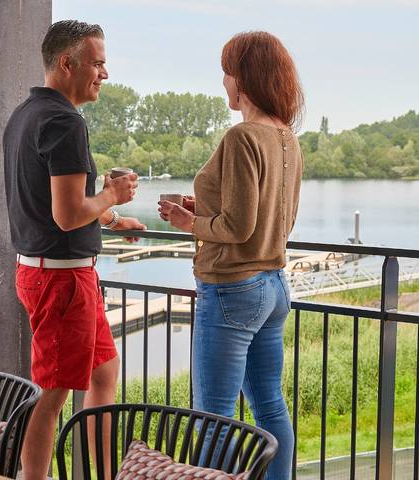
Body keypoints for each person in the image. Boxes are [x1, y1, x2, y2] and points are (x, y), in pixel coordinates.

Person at [3, 19, 146, 479]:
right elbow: (67, 215)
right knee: (52, 394)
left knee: (104, 373)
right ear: (68, 63)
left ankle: (101, 474)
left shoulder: (25, 115)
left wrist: (111, 218)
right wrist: (113, 194)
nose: (105, 73)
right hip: (62, 280)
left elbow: (56, 203)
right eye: (97, 63)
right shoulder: (65, 122)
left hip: (48, 272)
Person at [158, 31, 304, 479]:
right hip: (274, 287)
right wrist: (204, 209)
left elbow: (239, 227)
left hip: (232, 290)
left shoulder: (242, 136)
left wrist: (188, 223)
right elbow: (273, 220)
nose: (223, 81)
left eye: (227, 71)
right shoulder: (287, 138)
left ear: (244, 78)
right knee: (270, 406)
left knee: (214, 418)